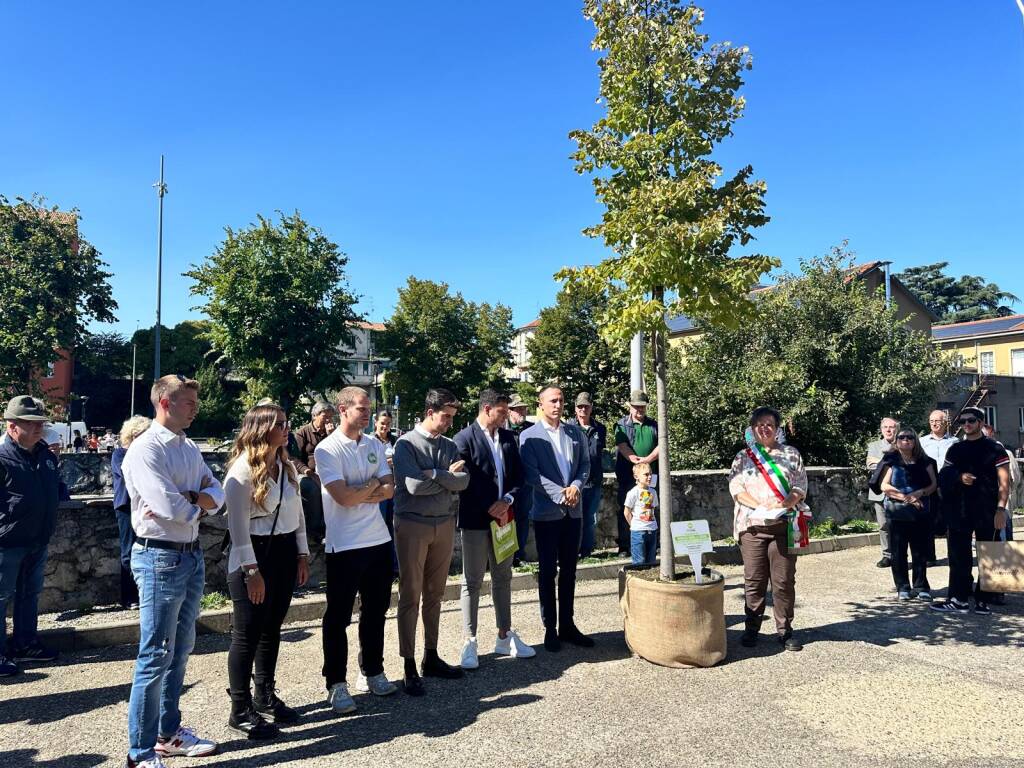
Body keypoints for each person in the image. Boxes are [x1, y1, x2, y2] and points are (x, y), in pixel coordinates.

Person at [122, 375, 225, 767]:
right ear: (164, 402)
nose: (194, 407)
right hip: (159, 557)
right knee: (154, 655)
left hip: (189, 554)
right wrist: (196, 502)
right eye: (187, 401)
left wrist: (193, 499)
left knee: (179, 651)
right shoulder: (146, 450)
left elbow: (216, 493)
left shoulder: (187, 447)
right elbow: (173, 509)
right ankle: (140, 751)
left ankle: (168, 734)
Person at [223, 403, 310, 739]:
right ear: (261, 429)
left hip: (284, 551)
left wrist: (302, 553)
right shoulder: (241, 472)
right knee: (246, 635)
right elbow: (238, 527)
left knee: (272, 628)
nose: (287, 429)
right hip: (255, 555)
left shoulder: (284, 466)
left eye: (287, 423)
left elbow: (297, 513)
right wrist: (251, 571)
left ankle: (264, 695)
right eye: (280, 424)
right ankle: (239, 708)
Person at [315, 388, 398, 714]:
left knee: (375, 612)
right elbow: (343, 499)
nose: (367, 414)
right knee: (338, 617)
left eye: (369, 409)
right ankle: (336, 683)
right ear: (343, 409)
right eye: (361, 409)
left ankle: (372, 671)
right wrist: (371, 488)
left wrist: (362, 490)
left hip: (377, 540)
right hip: (344, 545)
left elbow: (390, 489)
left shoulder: (374, 444)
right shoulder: (327, 449)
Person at [392, 387, 469, 696]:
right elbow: (412, 486)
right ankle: (408, 663)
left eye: (452, 417)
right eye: (446, 417)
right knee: (410, 595)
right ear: (430, 412)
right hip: (412, 525)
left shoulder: (450, 445)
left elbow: (463, 481)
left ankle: (431, 656)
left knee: (435, 595)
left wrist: (433, 474)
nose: (450, 423)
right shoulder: (405, 444)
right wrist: (444, 477)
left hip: (444, 524)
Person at [453, 389, 534, 670]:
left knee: (503, 576)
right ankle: (470, 640)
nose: (506, 415)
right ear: (487, 409)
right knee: (472, 580)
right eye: (502, 411)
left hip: (503, 518)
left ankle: (504, 634)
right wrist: (490, 503)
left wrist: (506, 500)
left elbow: (518, 477)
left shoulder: (510, 438)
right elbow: (465, 479)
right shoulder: (463, 439)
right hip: (476, 519)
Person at [519, 385, 593, 652]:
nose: (558, 405)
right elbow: (532, 474)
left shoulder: (575, 432)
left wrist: (575, 486)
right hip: (547, 514)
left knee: (570, 571)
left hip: (573, 512)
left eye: (561, 400)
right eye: (552, 400)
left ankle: (568, 625)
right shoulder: (529, 436)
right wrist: (561, 495)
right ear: (540, 404)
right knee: (548, 571)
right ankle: (550, 627)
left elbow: (585, 465)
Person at [728, 406, 807, 652]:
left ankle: (785, 630)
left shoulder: (791, 454)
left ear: (777, 428)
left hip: (783, 525)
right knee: (754, 580)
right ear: (753, 430)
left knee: (783, 581)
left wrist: (785, 503)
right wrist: (761, 506)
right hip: (752, 527)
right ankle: (752, 628)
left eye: (769, 424)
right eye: (759, 424)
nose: (764, 428)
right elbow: (737, 489)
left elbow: (800, 484)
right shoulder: (743, 457)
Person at [0, 396, 61, 677]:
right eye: (32, 424)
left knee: (29, 595)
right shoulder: (2, 457)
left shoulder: (46, 456)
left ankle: (26, 645)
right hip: (7, 542)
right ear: (12, 427)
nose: (39, 429)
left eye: (41, 423)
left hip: (38, 540)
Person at [931, 406, 1011, 615]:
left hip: (987, 509)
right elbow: (944, 475)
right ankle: (959, 599)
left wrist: (1001, 509)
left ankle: (985, 600)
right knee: (959, 556)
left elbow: (1005, 481)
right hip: (960, 510)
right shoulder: (955, 449)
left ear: (981, 423)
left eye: (971, 420)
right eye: (963, 421)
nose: (966, 424)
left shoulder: (995, 448)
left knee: (991, 554)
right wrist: (959, 477)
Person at [874, 429, 937, 600]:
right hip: (897, 512)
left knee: (919, 551)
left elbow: (933, 484)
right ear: (896, 441)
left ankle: (921, 586)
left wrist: (920, 493)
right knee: (899, 552)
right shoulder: (891, 461)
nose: (906, 440)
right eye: (902, 437)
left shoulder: (925, 461)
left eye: (910, 437)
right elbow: (884, 486)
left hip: (921, 511)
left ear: (915, 441)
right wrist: (906, 498)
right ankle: (902, 587)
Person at [112, 416, 152, 610]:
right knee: (128, 551)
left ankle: (144, 593)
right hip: (126, 506)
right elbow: (129, 475)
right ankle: (129, 596)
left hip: (145, 506)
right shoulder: (119, 454)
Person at [614, 390, 658, 556]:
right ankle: (625, 545)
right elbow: (622, 445)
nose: (639, 410)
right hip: (628, 475)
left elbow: (661, 444)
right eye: (636, 407)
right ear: (630, 407)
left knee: (650, 507)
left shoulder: (654, 425)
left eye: (642, 407)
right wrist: (635, 459)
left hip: (649, 475)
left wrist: (647, 459)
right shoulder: (621, 425)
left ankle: (651, 541)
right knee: (626, 508)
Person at [291, 401, 335, 544]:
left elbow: (337, 453)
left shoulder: (334, 433)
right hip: (306, 474)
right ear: (314, 415)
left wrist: (332, 437)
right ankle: (316, 530)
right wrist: (308, 472)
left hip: (327, 472)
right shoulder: (302, 433)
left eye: (331, 417)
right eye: (325, 416)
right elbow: (294, 458)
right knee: (313, 488)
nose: (328, 420)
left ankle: (335, 527)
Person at [568, 392, 606, 558]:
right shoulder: (568, 427)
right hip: (575, 481)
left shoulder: (600, 428)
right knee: (574, 519)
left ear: (591, 408)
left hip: (594, 480)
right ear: (575, 408)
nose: (583, 409)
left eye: (586, 406)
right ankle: (572, 550)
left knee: (591, 519)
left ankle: (587, 551)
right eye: (580, 406)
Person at [866, 417, 900, 568]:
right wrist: (888, 461)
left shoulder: (903, 444)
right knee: (883, 524)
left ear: (897, 429)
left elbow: (902, 465)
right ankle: (887, 555)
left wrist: (879, 461)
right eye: (885, 427)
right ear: (881, 429)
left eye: (891, 427)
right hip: (878, 492)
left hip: (897, 491)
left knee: (899, 525)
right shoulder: (873, 446)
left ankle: (900, 555)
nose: (888, 430)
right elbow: (870, 465)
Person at [507, 394, 534, 563]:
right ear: (510, 411)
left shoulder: (531, 429)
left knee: (523, 517)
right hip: (507, 483)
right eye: (518, 409)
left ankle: (520, 553)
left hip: (525, 482)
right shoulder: (503, 431)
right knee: (506, 519)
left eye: (524, 408)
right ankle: (506, 554)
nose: (522, 412)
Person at [374, 410, 400, 575]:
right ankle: (381, 564)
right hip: (380, 490)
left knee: (395, 526)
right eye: (382, 423)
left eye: (388, 424)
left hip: (396, 489)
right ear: (375, 422)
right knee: (381, 525)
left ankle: (394, 564)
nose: (385, 427)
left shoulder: (396, 441)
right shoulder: (370, 441)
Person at [623, 462, 658, 565]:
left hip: (652, 530)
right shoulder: (633, 493)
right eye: (646, 474)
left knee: (651, 560)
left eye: (650, 474)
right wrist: (633, 525)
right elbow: (627, 512)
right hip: (638, 532)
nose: (649, 477)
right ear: (636, 476)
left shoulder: (653, 492)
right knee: (639, 562)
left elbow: (653, 508)